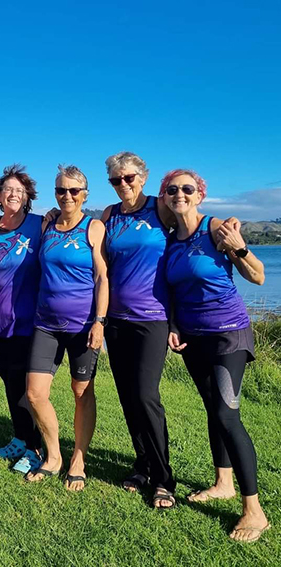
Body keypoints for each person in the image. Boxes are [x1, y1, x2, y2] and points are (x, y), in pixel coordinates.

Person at [162, 168, 269, 542]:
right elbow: (173, 291)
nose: (180, 194)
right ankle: (222, 482)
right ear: (166, 196)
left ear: (199, 195)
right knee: (212, 409)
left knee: (227, 413)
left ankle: (254, 510)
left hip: (228, 336)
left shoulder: (216, 228)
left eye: (187, 189)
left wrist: (237, 246)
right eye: (173, 189)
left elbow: (257, 277)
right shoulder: (171, 238)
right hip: (194, 337)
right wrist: (174, 325)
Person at [25, 165, 108, 492]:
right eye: (61, 190)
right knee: (34, 393)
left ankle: (78, 458)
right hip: (46, 324)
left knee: (81, 392)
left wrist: (100, 321)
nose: (67, 196)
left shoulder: (93, 227)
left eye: (74, 191)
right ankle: (54, 455)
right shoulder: (47, 225)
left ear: (85, 194)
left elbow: (102, 277)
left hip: (83, 326)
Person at [101, 151, 177, 508]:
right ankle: (142, 464)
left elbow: (193, 219)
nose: (123, 185)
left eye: (128, 178)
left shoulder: (159, 208)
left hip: (152, 319)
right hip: (117, 320)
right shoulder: (110, 215)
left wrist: (226, 227)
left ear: (143, 178)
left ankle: (164, 479)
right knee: (129, 398)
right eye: (116, 180)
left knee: (147, 395)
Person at [0, 165, 43, 474]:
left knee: (25, 386)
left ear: (28, 198)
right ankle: (20, 437)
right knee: (9, 382)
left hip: (29, 320)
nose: (13, 195)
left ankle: (35, 447)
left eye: (20, 191)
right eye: (8, 189)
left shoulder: (40, 225)